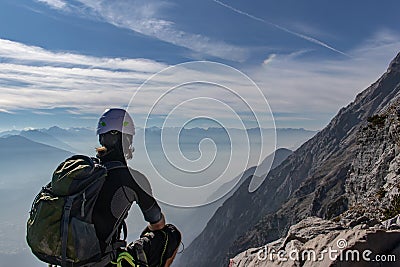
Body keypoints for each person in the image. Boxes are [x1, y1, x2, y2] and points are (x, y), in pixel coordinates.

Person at [93, 108, 181, 267]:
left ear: (101, 139)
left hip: (71, 259)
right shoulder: (133, 179)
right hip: (105, 263)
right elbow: (158, 224)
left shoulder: (86, 173)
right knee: (171, 235)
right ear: (128, 140)